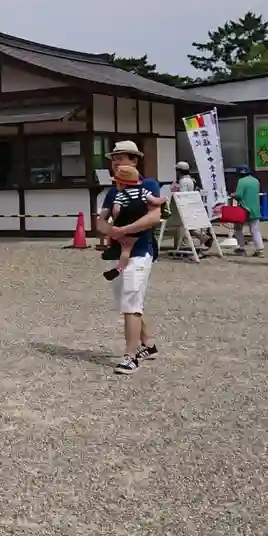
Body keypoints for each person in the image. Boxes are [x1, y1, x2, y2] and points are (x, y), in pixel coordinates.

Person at [97, 141, 164, 375]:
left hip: (141, 250)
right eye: (113, 159)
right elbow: (100, 221)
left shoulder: (149, 185)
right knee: (126, 302)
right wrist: (111, 231)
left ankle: (130, 356)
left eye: (120, 158)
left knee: (131, 301)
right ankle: (149, 344)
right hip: (117, 253)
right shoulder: (113, 191)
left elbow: (154, 216)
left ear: (134, 160)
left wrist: (124, 230)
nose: (115, 163)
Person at [102, 165, 151, 281]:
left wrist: (116, 221)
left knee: (117, 237)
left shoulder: (120, 194)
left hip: (123, 226)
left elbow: (116, 210)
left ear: (121, 184)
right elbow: (153, 202)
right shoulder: (143, 192)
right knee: (127, 249)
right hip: (137, 230)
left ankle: (111, 250)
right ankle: (119, 268)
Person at [231, 166, 265, 257]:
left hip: (244, 208)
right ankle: (260, 249)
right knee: (255, 229)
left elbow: (239, 195)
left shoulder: (241, 181)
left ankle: (241, 248)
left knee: (237, 228)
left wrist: (232, 195)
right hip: (255, 208)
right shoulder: (255, 180)